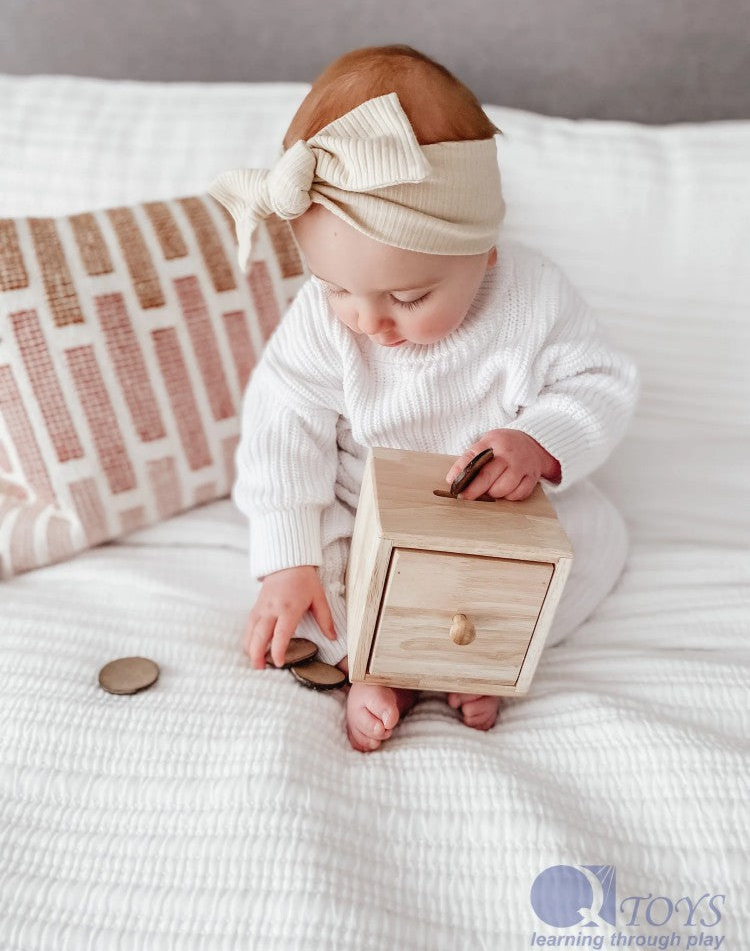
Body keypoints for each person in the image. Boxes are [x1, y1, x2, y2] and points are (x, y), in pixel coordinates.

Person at [208, 44, 640, 753]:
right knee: (317, 581)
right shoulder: (322, 323)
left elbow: (599, 381)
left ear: (484, 250)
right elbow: (283, 427)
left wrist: (539, 442)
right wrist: (289, 560)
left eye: (408, 297)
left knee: (593, 543)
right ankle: (382, 666)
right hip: (368, 507)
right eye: (337, 288)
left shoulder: (531, 298)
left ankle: (486, 655)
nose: (367, 320)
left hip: (494, 512)